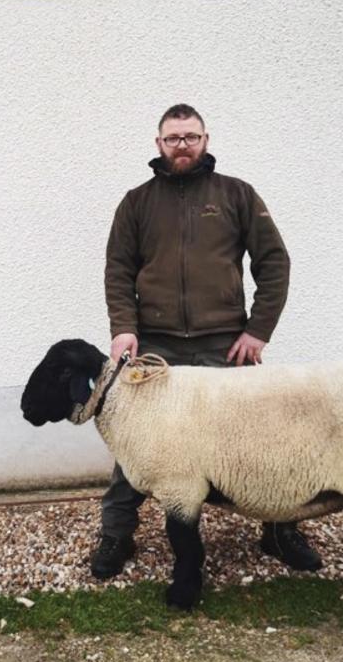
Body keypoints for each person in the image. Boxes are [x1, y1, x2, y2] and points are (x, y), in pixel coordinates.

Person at [91, 103, 322, 578]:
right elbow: (119, 270)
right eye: (173, 138)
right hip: (156, 350)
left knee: (258, 441)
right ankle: (116, 533)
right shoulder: (136, 202)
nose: (182, 145)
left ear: (206, 140)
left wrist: (258, 330)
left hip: (224, 344)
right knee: (138, 445)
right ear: (158, 144)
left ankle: (280, 530)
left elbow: (274, 263)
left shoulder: (237, 195)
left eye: (191, 136)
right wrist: (124, 327)